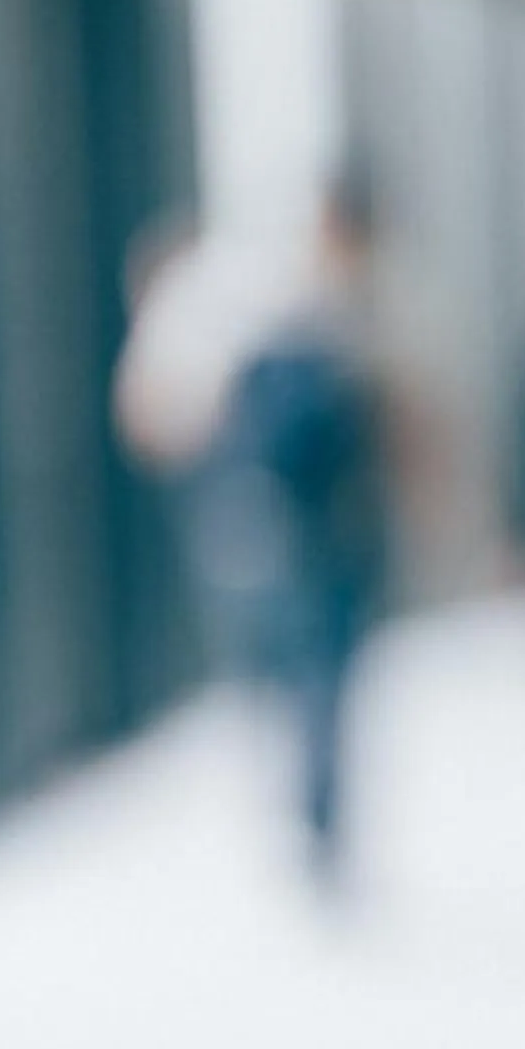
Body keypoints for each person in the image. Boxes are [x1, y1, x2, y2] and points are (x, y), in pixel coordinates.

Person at [208, 175, 391, 888]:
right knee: (322, 678)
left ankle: (318, 811)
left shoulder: (313, 315)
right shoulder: (333, 319)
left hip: (311, 531)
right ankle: (319, 813)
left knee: (320, 677)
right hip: (323, 532)